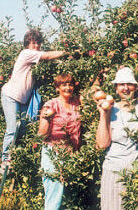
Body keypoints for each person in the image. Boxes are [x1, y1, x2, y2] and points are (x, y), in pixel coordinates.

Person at [1, 29, 67, 165]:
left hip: (23, 99)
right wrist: (66, 53)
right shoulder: (26, 53)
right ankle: (5, 158)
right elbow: (48, 56)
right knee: (13, 128)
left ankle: (17, 155)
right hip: (11, 96)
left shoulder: (35, 59)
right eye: (33, 43)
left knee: (24, 129)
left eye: (38, 43)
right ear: (27, 44)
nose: (36, 46)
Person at [96, 66, 138, 210]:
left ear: (135, 87)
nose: (125, 88)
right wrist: (103, 114)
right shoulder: (110, 110)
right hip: (114, 172)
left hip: (136, 174)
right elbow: (102, 144)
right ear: (116, 88)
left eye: (129, 84)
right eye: (121, 84)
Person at [38, 73, 82, 210]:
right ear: (57, 87)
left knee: (63, 195)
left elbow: (93, 92)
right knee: (54, 193)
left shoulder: (76, 103)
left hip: (70, 155)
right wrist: (46, 118)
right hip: (53, 153)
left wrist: (99, 76)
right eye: (64, 85)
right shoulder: (51, 105)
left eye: (70, 84)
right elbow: (42, 134)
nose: (67, 88)